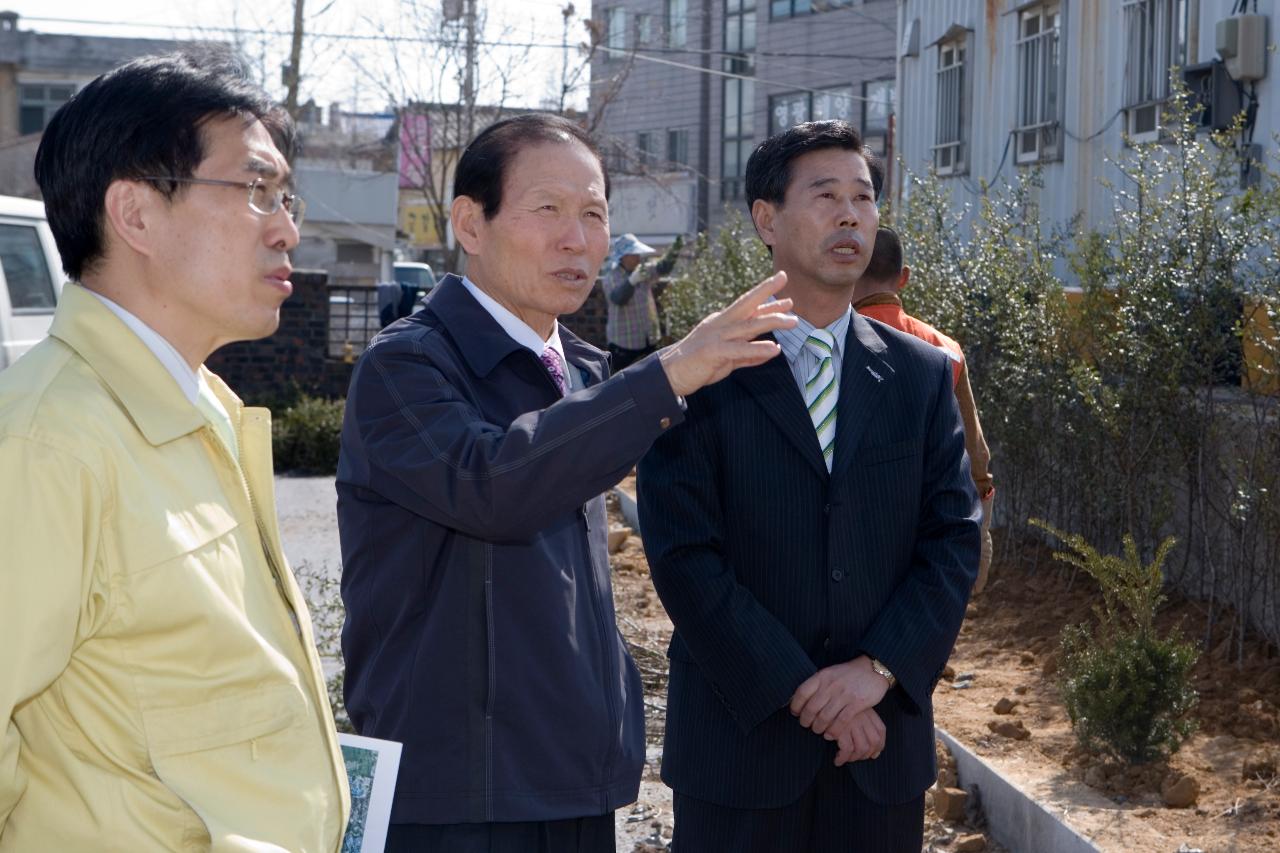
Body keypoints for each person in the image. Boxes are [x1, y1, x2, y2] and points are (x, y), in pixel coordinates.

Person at [336, 112, 797, 853]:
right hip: (456, 793)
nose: (577, 238)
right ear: (470, 222)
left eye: (593, 214)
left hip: (574, 776)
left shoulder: (580, 370)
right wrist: (668, 372)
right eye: (547, 209)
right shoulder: (407, 367)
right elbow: (493, 485)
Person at [0, 50, 349, 851]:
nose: (289, 226)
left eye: (285, 195)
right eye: (256, 189)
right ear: (136, 215)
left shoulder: (204, 408)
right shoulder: (46, 441)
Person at [637, 120, 981, 853]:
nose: (850, 213)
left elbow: (952, 537)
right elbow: (684, 554)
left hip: (878, 749)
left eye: (863, 196)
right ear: (768, 218)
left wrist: (876, 671)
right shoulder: (703, 370)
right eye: (825, 195)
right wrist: (805, 687)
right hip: (741, 747)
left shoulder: (919, 376)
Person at [854, 225, 996, 592]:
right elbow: (975, 452)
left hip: (858, 536)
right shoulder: (945, 349)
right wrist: (978, 526)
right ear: (903, 278)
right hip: (937, 527)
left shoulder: (834, 341)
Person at [601, 232, 682, 370]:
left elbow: (662, 268)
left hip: (648, 338)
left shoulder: (642, 270)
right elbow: (618, 299)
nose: (638, 258)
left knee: (651, 378)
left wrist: (675, 250)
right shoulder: (611, 276)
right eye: (634, 254)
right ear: (624, 257)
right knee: (623, 384)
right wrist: (632, 281)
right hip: (624, 343)